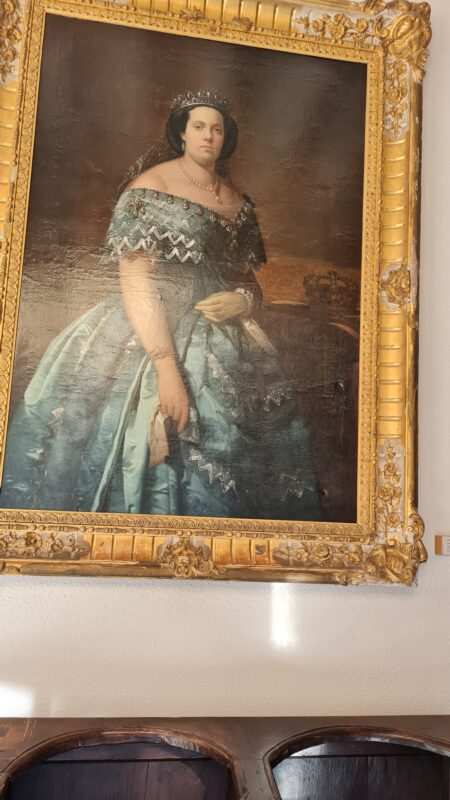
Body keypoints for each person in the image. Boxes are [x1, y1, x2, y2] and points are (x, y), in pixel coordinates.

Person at [2, 90, 321, 519]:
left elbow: (248, 282)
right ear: (181, 133)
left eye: (217, 129)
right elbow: (135, 278)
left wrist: (243, 301)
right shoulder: (150, 189)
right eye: (199, 127)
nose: (208, 136)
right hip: (148, 326)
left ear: (226, 138)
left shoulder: (238, 203)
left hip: (226, 339)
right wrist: (166, 367)